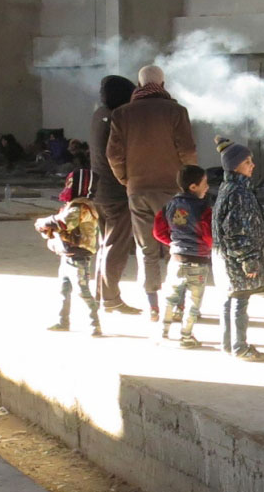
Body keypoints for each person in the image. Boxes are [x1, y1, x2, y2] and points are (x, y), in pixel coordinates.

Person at [107, 65, 198, 322]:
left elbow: (114, 155)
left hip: (137, 190)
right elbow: (188, 150)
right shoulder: (176, 111)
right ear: (163, 83)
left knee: (145, 249)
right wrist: (187, 181)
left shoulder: (121, 114)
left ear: (139, 84)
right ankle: (177, 305)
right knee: (176, 246)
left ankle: (153, 306)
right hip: (172, 190)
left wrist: (127, 180)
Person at [211, 136, 264, 361]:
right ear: (235, 165)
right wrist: (249, 260)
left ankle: (228, 345)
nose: (252, 165)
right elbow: (237, 230)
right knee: (240, 302)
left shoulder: (227, 188)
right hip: (237, 260)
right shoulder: (240, 193)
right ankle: (240, 347)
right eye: (248, 162)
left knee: (229, 300)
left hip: (226, 259)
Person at [90, 75, 141, 315]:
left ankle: (102, 295)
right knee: (115, 246)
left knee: (104, 245)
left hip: (99, 190)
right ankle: (110, 298)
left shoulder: (99, 114)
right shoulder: (116, 119)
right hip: (116, 192)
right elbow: (121, 155)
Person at [34, 169, 102, 336]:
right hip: (68, 255)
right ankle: (62, 321)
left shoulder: (81, 207)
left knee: (82, 290)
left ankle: (95, 324)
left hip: (79, 256)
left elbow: (65, 223)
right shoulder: (74, 205)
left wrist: (44, 222)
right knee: (63, 290)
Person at [152, 165, 212, 347]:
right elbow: (209, 234)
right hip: (198, 262)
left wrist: (174, 243)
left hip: (176, 259)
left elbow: (158, 231)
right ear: (193, 187)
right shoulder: (204, 208)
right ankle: (186, 336)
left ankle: (163, 333)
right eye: (205, 183)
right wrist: (209, 247)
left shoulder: (169, 205)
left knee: (170, 297)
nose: (207, 187)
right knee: (193, 302)